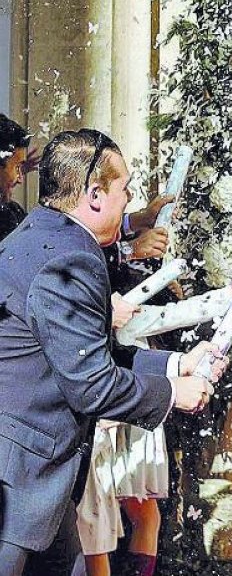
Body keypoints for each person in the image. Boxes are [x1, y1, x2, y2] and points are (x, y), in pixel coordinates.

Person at [0, 129, 215, 575]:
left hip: (37, 476)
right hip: (19, 481)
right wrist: (173, 393)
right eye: (125, 189)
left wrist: (177, 363)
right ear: (94, 195)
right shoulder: (70, 258)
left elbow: (86, 353)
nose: (130, 199)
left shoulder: (44, 230)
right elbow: (91, 384)